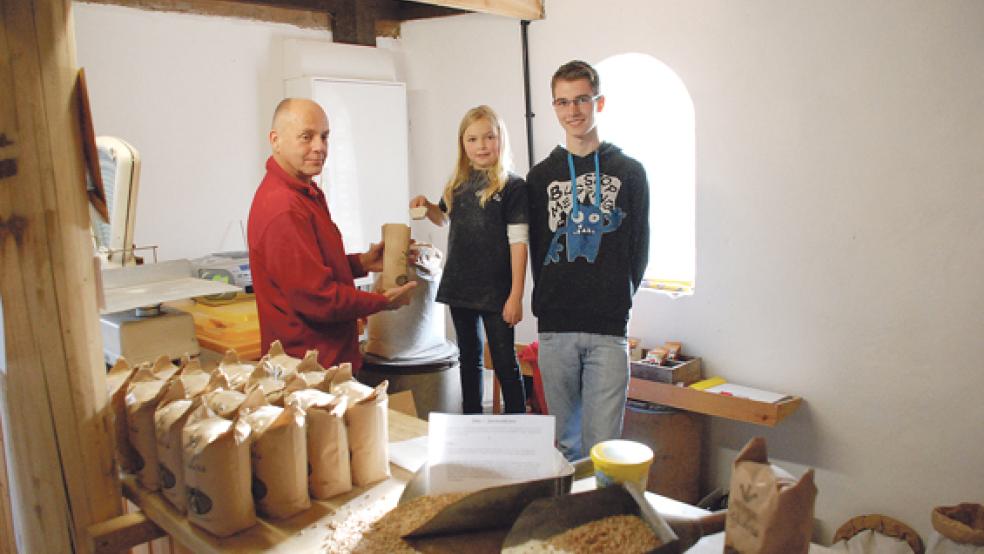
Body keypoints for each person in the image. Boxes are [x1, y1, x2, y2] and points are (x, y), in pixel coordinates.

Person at [527, 60, 650, 460]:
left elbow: (639, 247)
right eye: (563, 102)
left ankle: (600, 523)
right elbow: (534, 244)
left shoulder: (630, 172)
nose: (573, 111)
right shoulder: (540, 177)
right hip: (555, 329)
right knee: (565, 447)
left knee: (605, 450)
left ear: (599, 102)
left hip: (608, 329)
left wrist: (618, 294)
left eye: (581, 99)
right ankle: (571, 523)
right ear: (555, 108)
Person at [248, 98, 415, 370]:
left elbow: (312, 268)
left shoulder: (305, 191)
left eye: (324, 137)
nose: (320, 147)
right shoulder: (283, 208)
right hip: (308, 369)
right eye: (306, 137)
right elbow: (318, 299)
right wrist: (381, 302)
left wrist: (361, 263)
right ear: (275, 140)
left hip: (327, 359)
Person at [410, 105, 529, 414]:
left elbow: (519, 243)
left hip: (497, 291)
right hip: (461, 285)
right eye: (472, 139)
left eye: (489, 137)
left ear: (501, 139)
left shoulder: (513, 187)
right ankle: (471, 420)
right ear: (463, 144)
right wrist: (427, 207)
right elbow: (444, 218)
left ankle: (518, 425)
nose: (481, 146)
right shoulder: (458, 184)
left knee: (504, 362)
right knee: (469, 359)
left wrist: (516, 295)